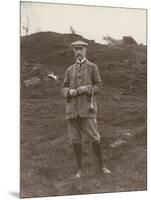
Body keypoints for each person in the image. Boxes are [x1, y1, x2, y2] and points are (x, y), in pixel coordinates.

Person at [61, 40, 111, 178]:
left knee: (95, 138)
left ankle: (102, 166)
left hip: (88, 110)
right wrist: (68, 91)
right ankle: (80, 169)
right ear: (73, 51)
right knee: (75, 140)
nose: (78, 52)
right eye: (75, 49)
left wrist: (86, 88)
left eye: (80, 49)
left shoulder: (93, 67)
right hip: (72, 111)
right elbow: (63, 87)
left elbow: (99, 86)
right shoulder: (69, 70)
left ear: (85, 50)